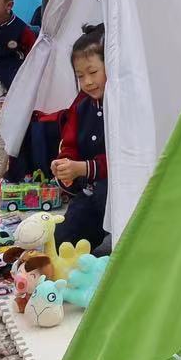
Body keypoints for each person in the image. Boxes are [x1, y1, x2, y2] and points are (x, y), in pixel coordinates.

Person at [52, 27, 110, 252]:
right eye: (80, 76)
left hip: (114, 195)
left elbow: (123, 158)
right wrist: (64, 164)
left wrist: (84, 168)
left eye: (93, 72)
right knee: (60, 241)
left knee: (103, 254)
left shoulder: (123, 106)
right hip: (89, 192)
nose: (87, 82)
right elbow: (69, 143)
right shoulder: (82, 106)